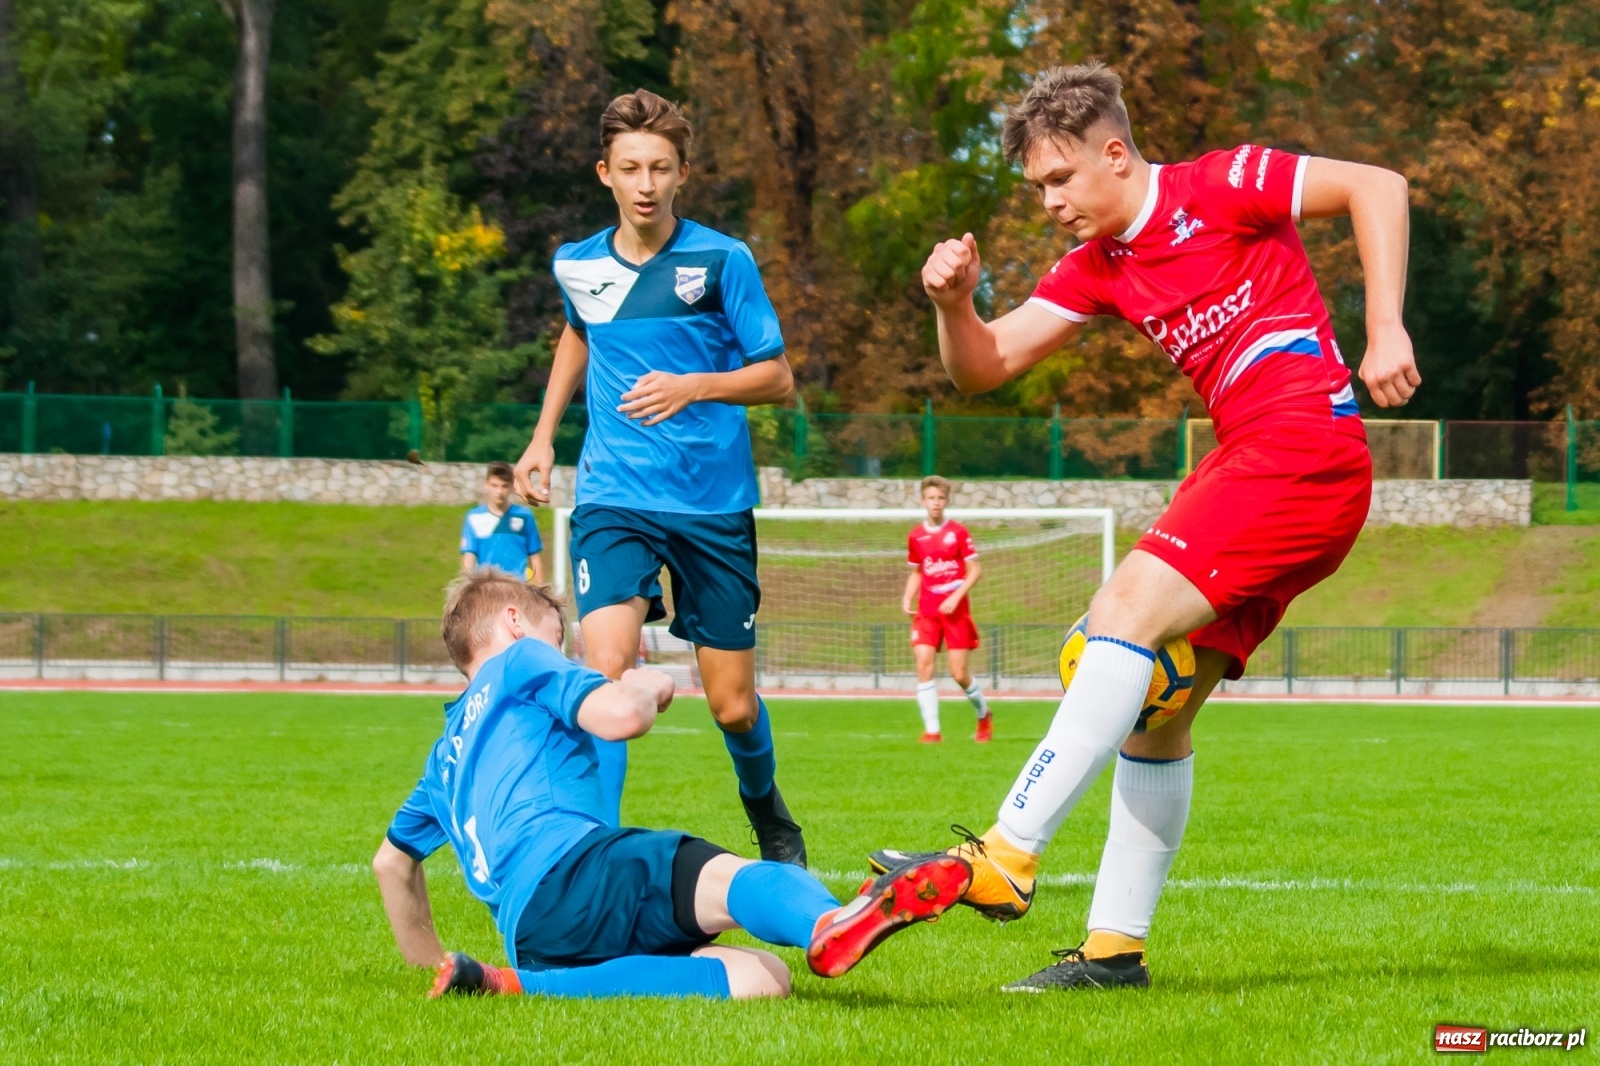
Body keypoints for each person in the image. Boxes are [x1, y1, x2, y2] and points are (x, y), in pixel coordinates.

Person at [869, 62, 1420, 991]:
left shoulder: (1222, 183)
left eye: (1058, 179)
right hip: (1266, 461)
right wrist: (953, 305)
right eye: (1036, 186)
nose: (1047, 202)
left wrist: (1387, 327)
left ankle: (1008, 851)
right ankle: (1114, 953)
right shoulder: (1099, 267)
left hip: (1301, 447)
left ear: (1114, 154)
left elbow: (1379, 184)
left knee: (1116, 619)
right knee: (1156, 714)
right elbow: (985, 366)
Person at [371, 569, 970, 1000]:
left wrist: (430, 961)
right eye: (557, 638)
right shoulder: (521, 660)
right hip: (576, 871)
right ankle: (827, 923)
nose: (560, 654)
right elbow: (620, 717)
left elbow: (391, 866)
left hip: (532, 933)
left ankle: (508, 982)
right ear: (513, 623)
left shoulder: (440, 759)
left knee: (764, 979)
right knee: (735, 876)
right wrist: (648, 683)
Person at [512, 89, 805, 864]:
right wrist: (542, 438)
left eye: (662, 168)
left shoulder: (721, 261)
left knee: (732, 707)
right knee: (602, 672)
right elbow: (578, 335)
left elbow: (778, 379)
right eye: (632, 168)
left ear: (683, 174)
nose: (646, 183)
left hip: (712, 504)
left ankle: (769, 813)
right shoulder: (575, 262)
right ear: (605, 172)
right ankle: (584, 848)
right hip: (613, 495)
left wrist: (693, 385)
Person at [902, 475, 991, 743]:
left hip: (955, 613)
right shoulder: (916, 536)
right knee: (924, 664)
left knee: (958, 673)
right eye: (931, 498)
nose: (936, 503)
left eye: (940, 498)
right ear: (922, 501)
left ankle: (984, 714)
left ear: (947, 501)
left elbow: (975, 570)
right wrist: (907, 596)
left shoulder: (959, 532)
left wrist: (956, 595)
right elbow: (918, 570)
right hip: (927, 612)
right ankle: (932, 731)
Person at [460, 461, 543, 583]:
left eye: (504, 486)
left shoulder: (524, 516)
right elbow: (469, 558)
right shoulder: (474, 517)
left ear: (511, 487)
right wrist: (467, 590)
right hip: (487, 589)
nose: (499, 491)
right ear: (486, 485)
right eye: (494, 485)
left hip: (517, 587)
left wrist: (541, 591)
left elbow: (534, 556)